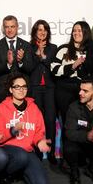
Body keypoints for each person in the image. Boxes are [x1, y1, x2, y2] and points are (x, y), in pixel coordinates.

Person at [0, 73, 50, 184]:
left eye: (24, 86)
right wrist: (12, 131)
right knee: (21, 156)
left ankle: (19, 171)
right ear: (10, 89)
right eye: (17, 87)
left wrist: (39, 141)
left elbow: (39, 131)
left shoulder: (34, 108)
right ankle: (3, 175)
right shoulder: (1, 108)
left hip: (28, 151)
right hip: (7, 150)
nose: (21, 90)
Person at [51, 21, 91, 126]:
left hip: (83, 90)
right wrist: (72, 66)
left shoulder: (90, 51)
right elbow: (54, 69)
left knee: (82, 123)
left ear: (86, 32)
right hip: (64, 89)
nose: (76, 33)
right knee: (67, 123)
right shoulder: (64, 49)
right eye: (74, 30)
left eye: (79, 30)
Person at [29, 20, 57, 164]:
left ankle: (51, 152)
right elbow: (29, 67)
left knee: (50, 120)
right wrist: (37, 53)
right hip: (34, 88)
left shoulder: (53, 48)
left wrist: (42, 55)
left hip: (49, 88)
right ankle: (38, 152)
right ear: (35, 32)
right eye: (39, 29)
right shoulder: (29, 47)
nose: (42, 32)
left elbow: (50, 65)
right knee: (37, 121)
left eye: (45, 29)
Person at [0, 15, 33, 106]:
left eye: (12, 26)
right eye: (7, 27)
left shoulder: (26, 45)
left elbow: (30, 69)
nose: (9, 30)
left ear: (17, 27)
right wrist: (8, 64)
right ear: (3, 28)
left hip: (22, 92)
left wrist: (21, 61)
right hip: (3, 92)